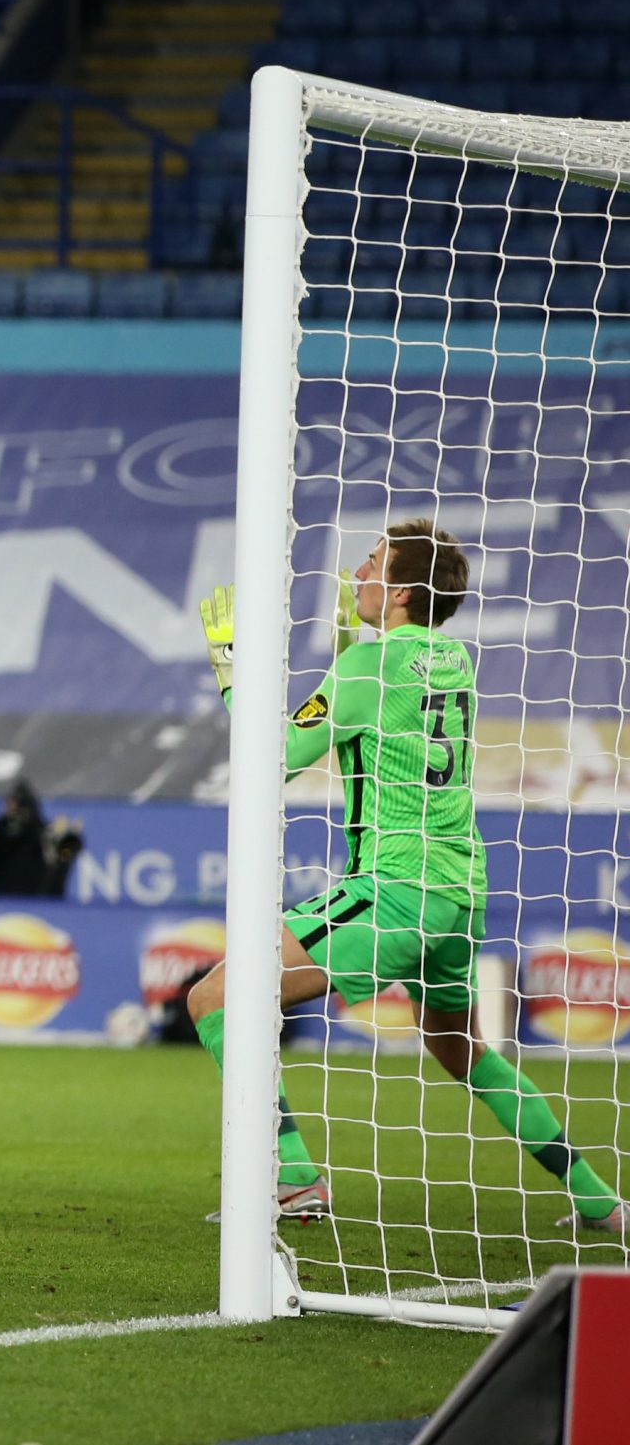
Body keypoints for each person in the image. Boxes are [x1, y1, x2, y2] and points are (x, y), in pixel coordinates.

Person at [191, 521, 621, 1231]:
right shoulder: (452, 659)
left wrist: (232, 667)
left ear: (395, 591)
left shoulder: (366, 667)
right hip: (460, 892)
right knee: (461, 1049)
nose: (356, 571)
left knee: (217, 1000)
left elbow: (275, 758)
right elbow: (378, 715)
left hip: (393, 887)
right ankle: (598, 1198)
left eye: (369, 562)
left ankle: (294, 1179)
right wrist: (341, 652)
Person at [0, 780, 79, 898]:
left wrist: (67, 847)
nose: (14, 821)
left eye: (17, 809)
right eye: (9, 808)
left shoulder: (46, 838)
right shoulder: (1, 839)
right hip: (6, 911)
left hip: (40, 911)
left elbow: (57, 880)